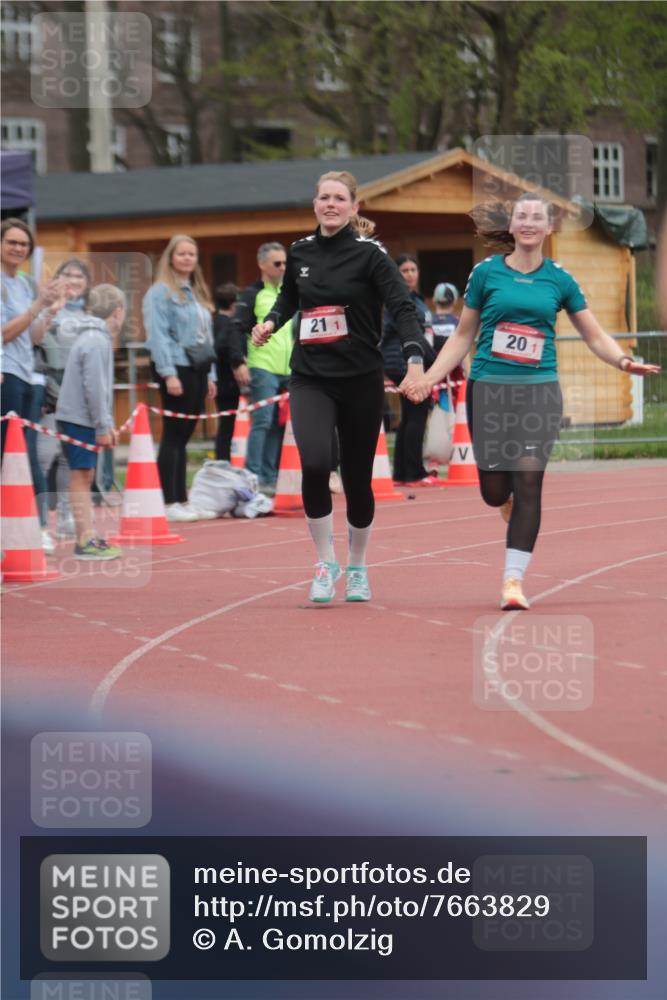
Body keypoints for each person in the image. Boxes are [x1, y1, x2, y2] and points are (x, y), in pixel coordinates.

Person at [401, 193, 660, 610]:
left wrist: (624, 360)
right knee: (493, 489)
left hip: (539, 392)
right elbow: (464, 335)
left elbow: (593, 333)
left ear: (548, 228)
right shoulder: (486, 274)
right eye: (522, 215)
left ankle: (513, 580)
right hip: (489, 388)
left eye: (537, 217)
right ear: (513, 224)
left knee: (529, 481)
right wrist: (430, 377)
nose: (528, 223)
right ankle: (502, 504)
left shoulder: (560, 279)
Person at [252, 170, 427, 603]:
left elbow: (402, 306)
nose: (330, 204)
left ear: (354, 207)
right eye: (323, 198)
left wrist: (415, 357)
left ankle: (359, 566)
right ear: (315, 204)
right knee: (314, 462)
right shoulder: (300, 252)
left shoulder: (371, 255)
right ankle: (325, 561)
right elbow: (290, 297)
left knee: (356, 478)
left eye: (339, 198)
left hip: (360, 378)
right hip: (311, 375)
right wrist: (272, 323)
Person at [1, 218, 65, 553]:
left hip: (27, 374)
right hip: (6, 373)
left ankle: (34, 526)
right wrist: (37, 307)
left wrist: (49, 312)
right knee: (6, 454)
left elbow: (33, 337)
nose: (18, 249)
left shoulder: (25, 283)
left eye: (23, 244)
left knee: (25, 455)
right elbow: (5, 333)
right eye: (12, 242)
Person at [143, 234, 216, 522]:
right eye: (182, 253)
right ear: (171, 257)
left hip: (197, 367)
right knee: (173, 434)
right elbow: (157, 336)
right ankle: (168, 500)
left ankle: (182, 498)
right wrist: (169, 373)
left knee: (185, 435)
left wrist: (210, 374)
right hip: (175, 367)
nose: (187, 258)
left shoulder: (196, 292)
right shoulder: (160, 293)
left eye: (192, 254)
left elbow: (204, 336)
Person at [54, 284, 124, 560]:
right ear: (118, 312)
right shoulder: (96, 340)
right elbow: (95, 388)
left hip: (80, 417)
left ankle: (88, 535)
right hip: (79, 418)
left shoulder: (93, 337)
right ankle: (84, 540)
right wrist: (103, 426)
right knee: (81, 476)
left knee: (85, 475)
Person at [38, 257, 93, 538]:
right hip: (50, 393)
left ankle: (65, 516)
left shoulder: (90, 317)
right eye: (68, 275)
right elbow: (40, 351)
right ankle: (39, 521)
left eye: (79, 276)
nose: (73, 280)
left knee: (68, 459)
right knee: (45, 454)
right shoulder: (48, 311)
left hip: (79, 397)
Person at [231, 242, 292, 496]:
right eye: (277, 263)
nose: (283, 268)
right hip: (262, 367)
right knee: (262, 421)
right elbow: (236, 327)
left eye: (285, 263)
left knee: (279, 425)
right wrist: (238, 361)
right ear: (262, 264)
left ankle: (270, 476)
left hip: (288, 369)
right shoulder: (252, 294)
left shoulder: (290, 294)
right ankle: (253, 477)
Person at [381, 254, 437, 486]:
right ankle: (414, 472)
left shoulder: (417, 299)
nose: (410, 274)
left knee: (409, 416)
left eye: (413, 269)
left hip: (412, 361)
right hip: (405, 362)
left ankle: (402, 472)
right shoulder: (399, 299)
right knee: (417, 413)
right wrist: (435, 360)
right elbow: (411, 333)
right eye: (405, 270)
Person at [212, 281, 242, 461]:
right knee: (227, 425)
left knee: (226, 424)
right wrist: (237, 360)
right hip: (227, 380)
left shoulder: (215, 321)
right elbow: (221, 346)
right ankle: (223, 460)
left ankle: (223, 459)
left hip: (220, 379)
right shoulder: (228, 324)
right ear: (234, 305)